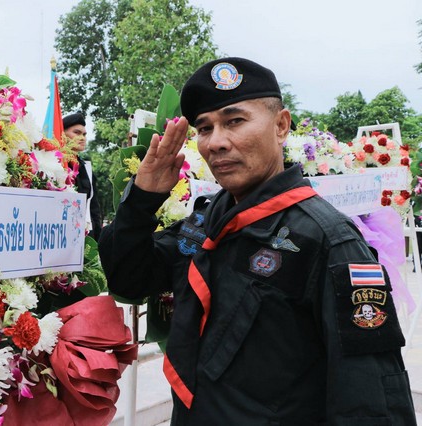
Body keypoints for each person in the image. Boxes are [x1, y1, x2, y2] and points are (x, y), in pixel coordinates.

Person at [98, 57, 416, 424]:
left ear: (281, 126)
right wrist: (141, 201)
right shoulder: (206, 221)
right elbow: (130, 279)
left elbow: (371, 401)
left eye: (234, 121)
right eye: (204, 128)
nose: (216, 142)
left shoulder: (330, 242)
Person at [63, 112, 102, 240]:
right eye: (77, 133)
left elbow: (94, 210)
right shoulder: (55, 163)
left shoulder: (86, 168)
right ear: (62, 133)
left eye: (84, 134)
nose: (82, 138)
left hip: (85, 235)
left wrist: (97, 240)